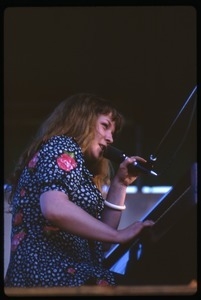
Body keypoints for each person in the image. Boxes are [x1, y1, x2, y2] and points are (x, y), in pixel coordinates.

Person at [4, 93, 154, 287]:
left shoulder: (77, 167)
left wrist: (121, 183)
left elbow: (104, 242)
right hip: (49, 274)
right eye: (105, 125)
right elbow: (54, 208)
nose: (110, 138)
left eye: (113, 133)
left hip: (61, 275)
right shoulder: (62, 146)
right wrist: (120, 235)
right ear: (82, 120)